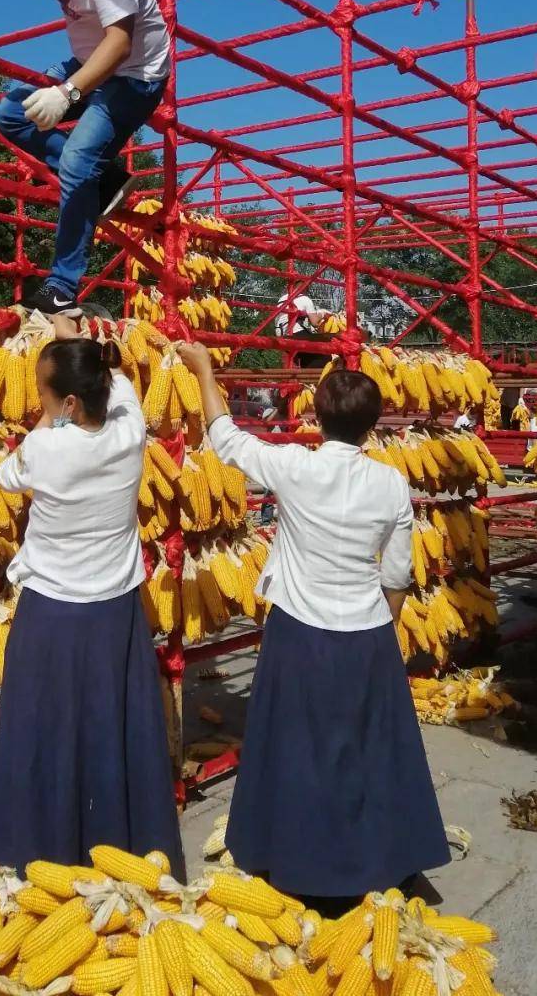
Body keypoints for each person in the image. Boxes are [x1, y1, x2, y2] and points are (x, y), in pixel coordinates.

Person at [178, 342, 449, 904]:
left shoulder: (294, 467)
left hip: (301, 630)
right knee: (367, 750)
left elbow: (225, 438)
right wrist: (380, 622)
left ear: (316, 417)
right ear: (372, 427)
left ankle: (297, 861)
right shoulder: (392, 484)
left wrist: (205, 371)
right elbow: (397, 572)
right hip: (367, 632)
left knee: (296, 750)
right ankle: (378, 860)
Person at [0, 314, 182, 874]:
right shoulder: (129, 435)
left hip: (52, 613)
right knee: (107, 727)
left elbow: (1, 477)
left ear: (67, 403)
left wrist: (50, 414)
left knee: (46, 730)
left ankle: (39, 848)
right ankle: (118, 841)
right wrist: (84, 349)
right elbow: (124, 390)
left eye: (42, 393)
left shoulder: (43, 450)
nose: (37, 403)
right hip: (115, 611)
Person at [0, 0, 169, 316]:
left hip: (135, 72)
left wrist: (68, 92)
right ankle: (101, 177)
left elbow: (120, 43)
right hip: (89, 59)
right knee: (9, 115)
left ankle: (62, 286)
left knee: (74, 159)